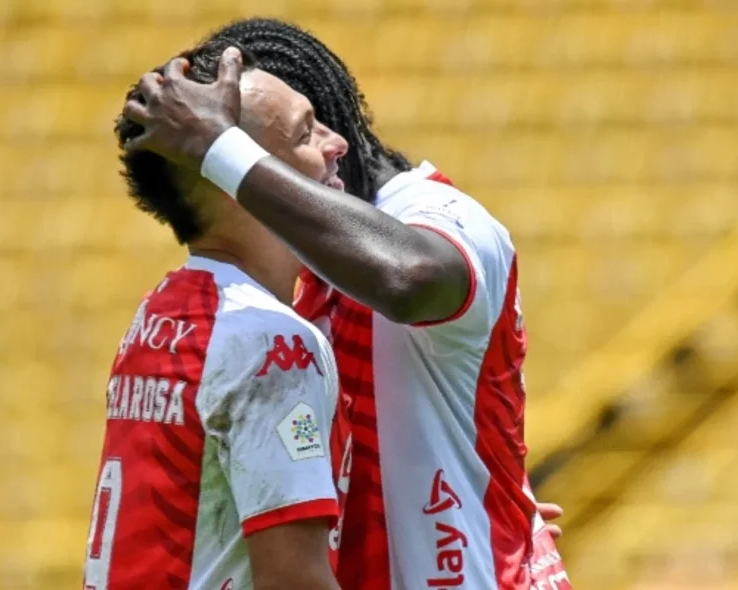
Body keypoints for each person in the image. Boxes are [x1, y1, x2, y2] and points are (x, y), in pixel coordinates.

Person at [124, 19, 570, 589]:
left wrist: (222, 152)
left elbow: (408, 280)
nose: (332, 143)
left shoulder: (438, 216)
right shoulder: (276, 277)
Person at [82, 40, 349, 590]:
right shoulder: (274, 343)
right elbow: (294, 581)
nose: (336, 143)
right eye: (305, 133)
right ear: (241, 178)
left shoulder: (160, 315)